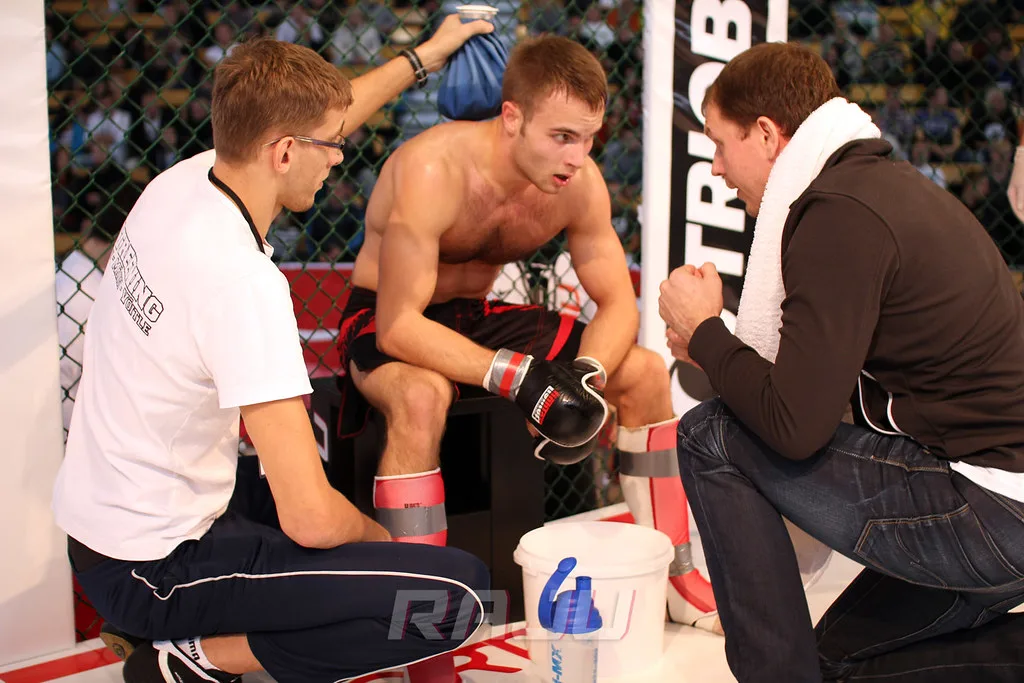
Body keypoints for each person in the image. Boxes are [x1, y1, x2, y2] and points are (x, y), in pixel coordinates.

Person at [52, 18, 500, 683]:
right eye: (332, 146)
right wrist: (384, 546)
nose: (340, 157)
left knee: (324, 496)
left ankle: (203, 633)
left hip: (114, 528)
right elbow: (312, 520)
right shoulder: (242, 283)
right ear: (285, 153)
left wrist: (422, 57)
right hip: (153, 569)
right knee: (458, 594)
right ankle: (194, 660)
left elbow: (318, 116)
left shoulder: (183, 180)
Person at [659, 41, 1024, 682]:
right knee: (831, 661)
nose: (715, 167)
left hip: (989, 509)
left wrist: (708, 334)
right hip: (1004, 509)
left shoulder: (836, 214)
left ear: (767, 134)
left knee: (709, 434)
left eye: (719, 143)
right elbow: (821, 386)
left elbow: (793, 425)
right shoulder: (878, 190)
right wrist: (714, 343)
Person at [336, 34, 720, 631]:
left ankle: (677, 575)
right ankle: (417, 623)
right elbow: (398, 327)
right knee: (421, 396)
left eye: (588, 138)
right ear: (512, 118)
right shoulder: (432, 169)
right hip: (387, 318)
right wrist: (520, 376)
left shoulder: (580, 183)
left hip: (477, 316)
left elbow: (619, 304)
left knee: (644, 372)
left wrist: (585, 377)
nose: (577, 156)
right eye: (562, 136)